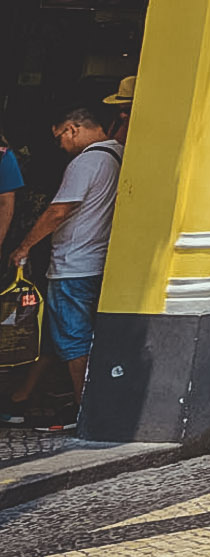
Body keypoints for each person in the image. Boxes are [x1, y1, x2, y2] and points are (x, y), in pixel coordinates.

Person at [10, 105, 123, 406]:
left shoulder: (85, 163)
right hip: (97, 260)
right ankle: (25, 394)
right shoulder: (118, 154)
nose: (60, 145)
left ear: (73, 128)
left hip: (73, 265)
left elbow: (58, 211)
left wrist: (25, 246)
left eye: (60, 137)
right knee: (63, 334)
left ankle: (84, 409)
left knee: (74, 340)